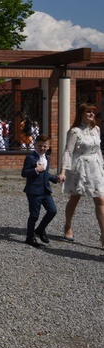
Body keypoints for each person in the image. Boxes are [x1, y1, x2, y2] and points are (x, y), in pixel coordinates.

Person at [58, 103, 104, 246]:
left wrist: (102, 166)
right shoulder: (75, 132)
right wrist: (63, 170)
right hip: (79, 168)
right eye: (88, 112)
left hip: (94, 167)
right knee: (75, 198)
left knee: (100, 199)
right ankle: (68, 226)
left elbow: (98, 150)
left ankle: (103, 235)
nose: (91, 114)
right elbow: (68, 151)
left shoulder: (96, 129)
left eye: (93, 112)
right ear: (81, 114)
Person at [21, 134, 61, 247]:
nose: (42, 148)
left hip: (45, 190)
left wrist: (55, 178)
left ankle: (40, 229)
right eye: (40, 146)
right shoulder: (30, 158)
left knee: (52, 210)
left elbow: (45, 174)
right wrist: (35, 170)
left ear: (48, 146)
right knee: (34, 215)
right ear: (35, 145)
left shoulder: (47, 158)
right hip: (33, 191)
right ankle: (29, 237)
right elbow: (24, 173)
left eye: (45, 146)